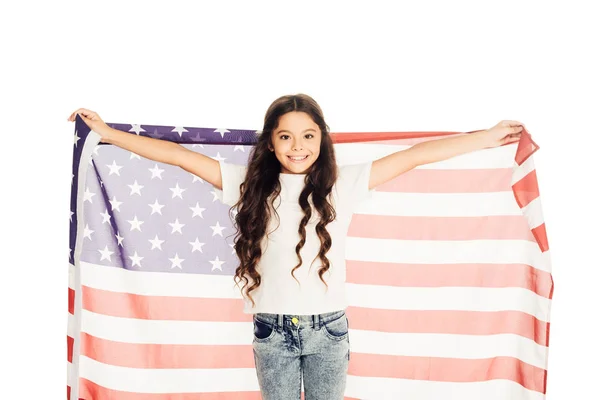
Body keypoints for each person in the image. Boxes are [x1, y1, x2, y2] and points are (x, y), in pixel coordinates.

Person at [68, 94, 523, 399]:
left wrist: (485, 137)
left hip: (329, 332)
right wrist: (107, 132)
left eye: (308, 135)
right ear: (271, 141)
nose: (297, 145)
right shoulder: (248, 184)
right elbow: (178, 156)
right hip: (272, 332)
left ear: (322, 138)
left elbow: (417, 155)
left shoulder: (344, 184)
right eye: (285, 136)